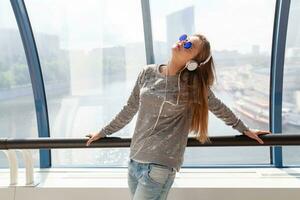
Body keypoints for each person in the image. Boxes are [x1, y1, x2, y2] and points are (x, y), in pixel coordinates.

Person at [85, 33, 271, 200]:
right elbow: (129, 108)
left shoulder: (193, 85)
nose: (183, 43)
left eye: (189, 45)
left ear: (193, 63)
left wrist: (244, 129)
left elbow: (217, 107)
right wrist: (103, 132)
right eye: (184, 38)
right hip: (134, 161)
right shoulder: (147, 72)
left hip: (159, 168)